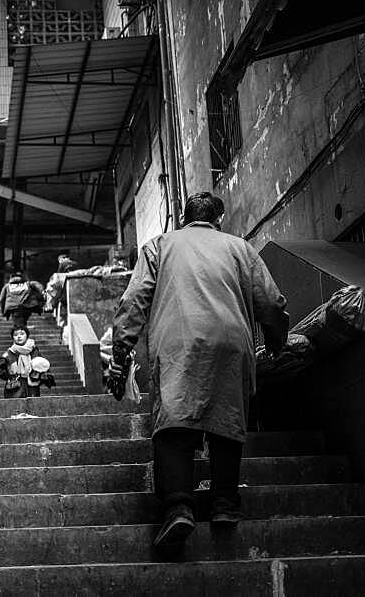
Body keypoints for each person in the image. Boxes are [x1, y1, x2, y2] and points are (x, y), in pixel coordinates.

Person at [109, 192, 288, 558]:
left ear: (184, 218)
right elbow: (270, 301)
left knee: (174, 423)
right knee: (226, 418)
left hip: (178, 343)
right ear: (218, 218)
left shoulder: (160, 245)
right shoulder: (239, 248)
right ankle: (224, 503)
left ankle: (179, 507)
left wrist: (121, 349)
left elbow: (134, 299)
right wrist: (276, 341)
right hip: (230, 343)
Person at [0, 326, 43, 398]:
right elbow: (1, 374)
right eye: (15, 335)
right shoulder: (9, 353)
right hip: (15, 386)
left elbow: (42, 368)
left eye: (22, 334)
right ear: (12, 338)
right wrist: (1, 365)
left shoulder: (34, 351)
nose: (19, 337)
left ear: (27, 336)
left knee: (33, 407)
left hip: (32, 384)